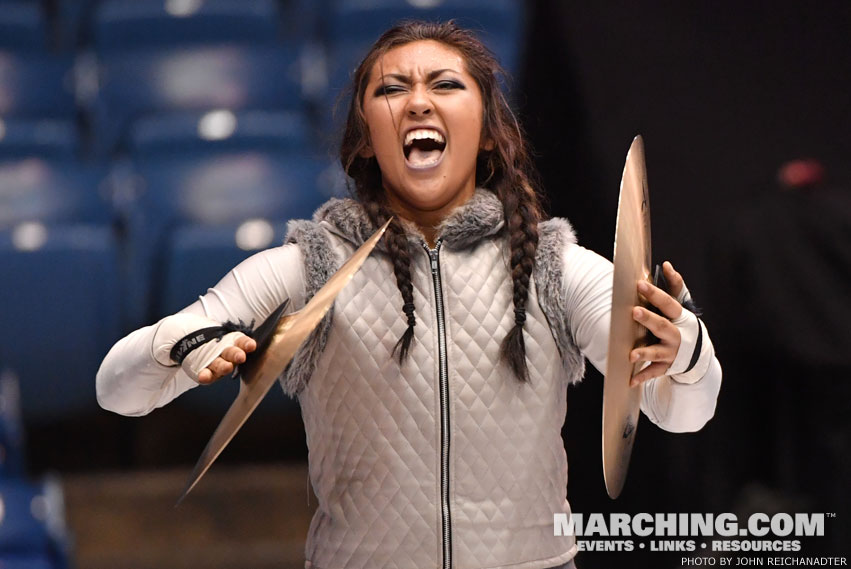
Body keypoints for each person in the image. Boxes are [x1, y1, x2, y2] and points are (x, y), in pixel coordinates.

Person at [97, 21, 722, 569]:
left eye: (445, 85)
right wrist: (177, 347)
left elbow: (683, 413)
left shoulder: (556, 267)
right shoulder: (303, 267)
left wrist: (683, 349)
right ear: (367, 136)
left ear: (486, 133)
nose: (418, 101)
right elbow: (116, 391)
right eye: (391, 89)